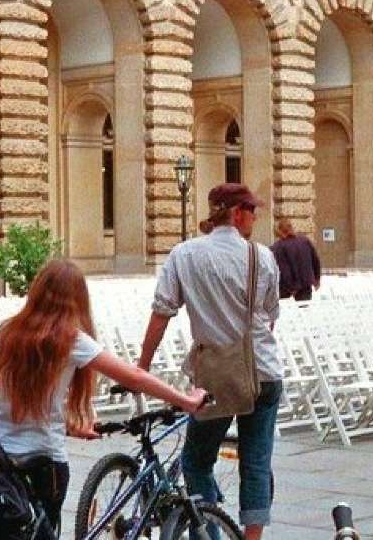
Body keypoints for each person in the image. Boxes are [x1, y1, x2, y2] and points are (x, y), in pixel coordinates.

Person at [0, 259, 205, 537]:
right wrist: (185, 400)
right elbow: (134, 377)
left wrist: (64, 424)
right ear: (77, 300)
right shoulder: (70, 339)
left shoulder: (4, 332)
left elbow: (16, 401)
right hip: (44, 460)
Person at [138, 182, 282, 540]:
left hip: (215, 376)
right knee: (257, 463)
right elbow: (271, 315)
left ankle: (208, 535)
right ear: (236, 214)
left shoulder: (184, 255)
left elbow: (161, 314)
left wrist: (141, 367)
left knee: (197, 461)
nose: (255, 217)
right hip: (262, 372)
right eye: (251, 210)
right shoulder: (261, 256)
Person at [270, 218, 321, 302]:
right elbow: (315, 261)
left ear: (279, 232)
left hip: (286, 289)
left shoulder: (278, 247)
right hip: (306, 284)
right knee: (304, 310)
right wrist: (317, 279)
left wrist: (291, 288)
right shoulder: (305, 241)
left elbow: (283, 269)